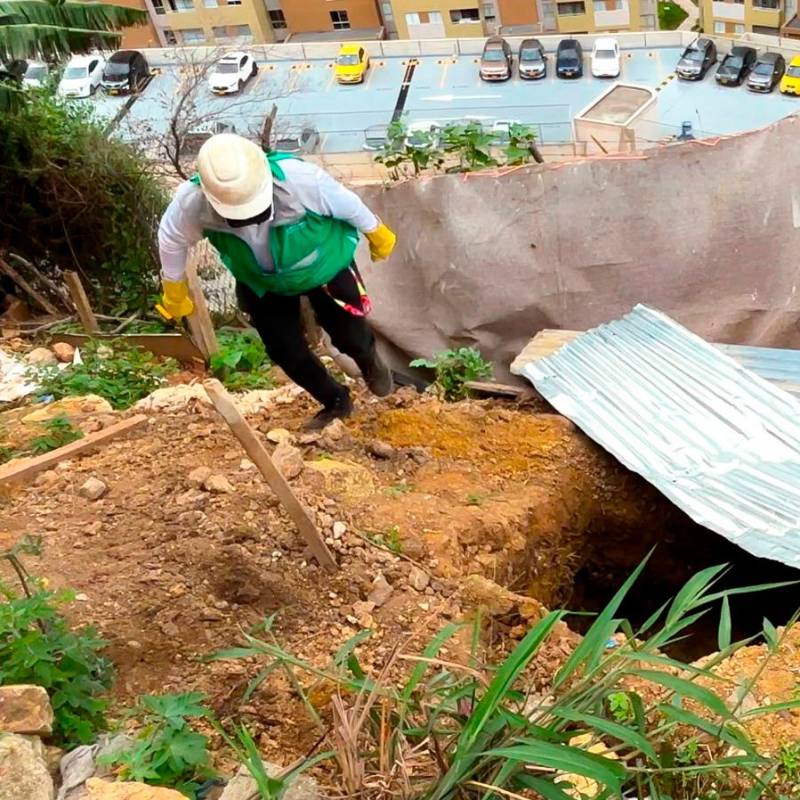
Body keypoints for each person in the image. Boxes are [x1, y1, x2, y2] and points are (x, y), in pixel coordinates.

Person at [157, 133, 397, 429]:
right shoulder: (191, 203)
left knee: (351, 336)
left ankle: (369, 362)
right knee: (285, 350)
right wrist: (174, 287)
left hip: (324, 266)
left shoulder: (301, 180)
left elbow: (348, 205)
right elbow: (171, 240)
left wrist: (376, 232)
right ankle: (335, 401)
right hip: (262, 281)